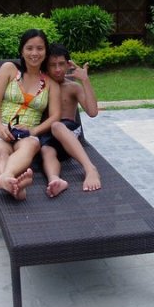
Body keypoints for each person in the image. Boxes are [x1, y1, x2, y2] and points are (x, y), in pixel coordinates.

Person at [0, 29, 60, 201]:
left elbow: (55, 116)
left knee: (31, 145)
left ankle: (6, 179)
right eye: (29, 48)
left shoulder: (51, 84)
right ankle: (15, 188)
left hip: (26, 133)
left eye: (40, 48)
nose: (34, 53)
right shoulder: (9, 69)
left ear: (46, 52)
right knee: (2, 154)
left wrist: (33, 130)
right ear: (21, 51)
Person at [41, 43, 101, 198]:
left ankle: (90, 169)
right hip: (50, 136)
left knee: (56, 125)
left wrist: (85, 80)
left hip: (69, 131)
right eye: (52, 65)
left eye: (61, 64)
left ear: (68, 65)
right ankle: (55, 180)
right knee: (46, 150)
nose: (57, 69)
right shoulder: (41, 86)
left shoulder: (73, 87)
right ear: (46, 66)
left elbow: (93, 112)